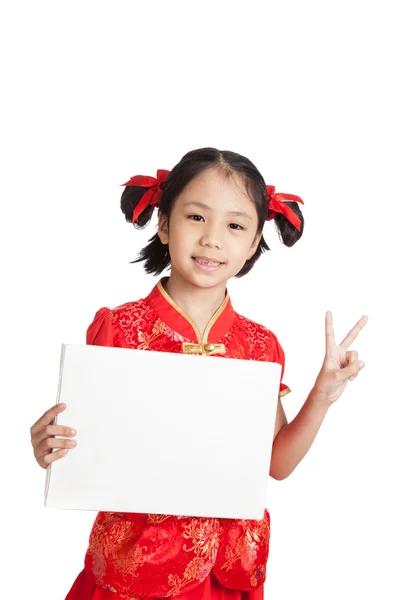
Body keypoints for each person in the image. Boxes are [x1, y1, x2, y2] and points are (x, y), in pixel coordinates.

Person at [30, 147, 368, 600]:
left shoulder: (260, 345)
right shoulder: (119, 327)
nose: (212, 239)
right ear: (165, 224)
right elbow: (90, 449)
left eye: (234, 225)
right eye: (196, 218)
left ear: (252, 244)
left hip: (226, 572)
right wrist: (50, 447)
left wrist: (322, 395)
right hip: (136, 566)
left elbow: (277, 465)